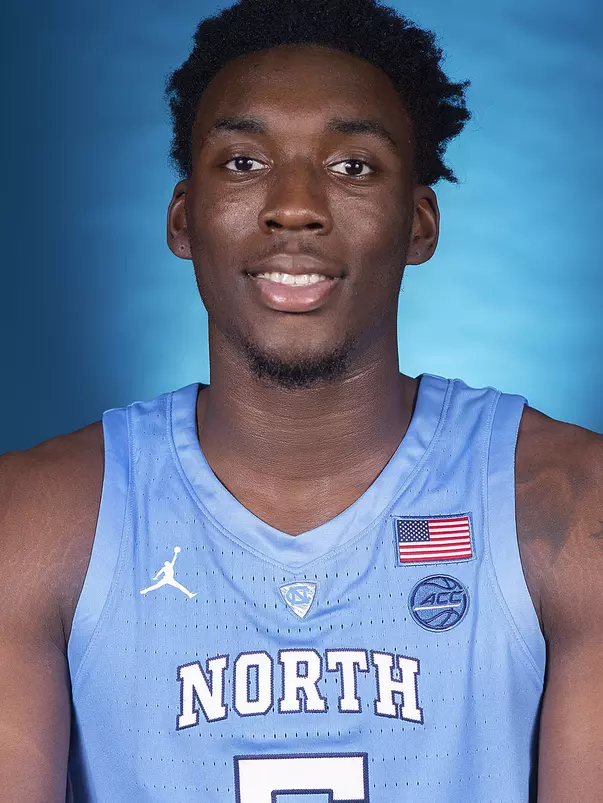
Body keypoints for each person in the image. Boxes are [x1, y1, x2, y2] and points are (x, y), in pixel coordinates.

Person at [0, 0, 601, 800]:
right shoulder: (36, 519)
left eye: (351, 165)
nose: (293, 206)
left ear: (419, 223)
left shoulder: (569, 510)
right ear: (183, 219)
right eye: (244, 162)